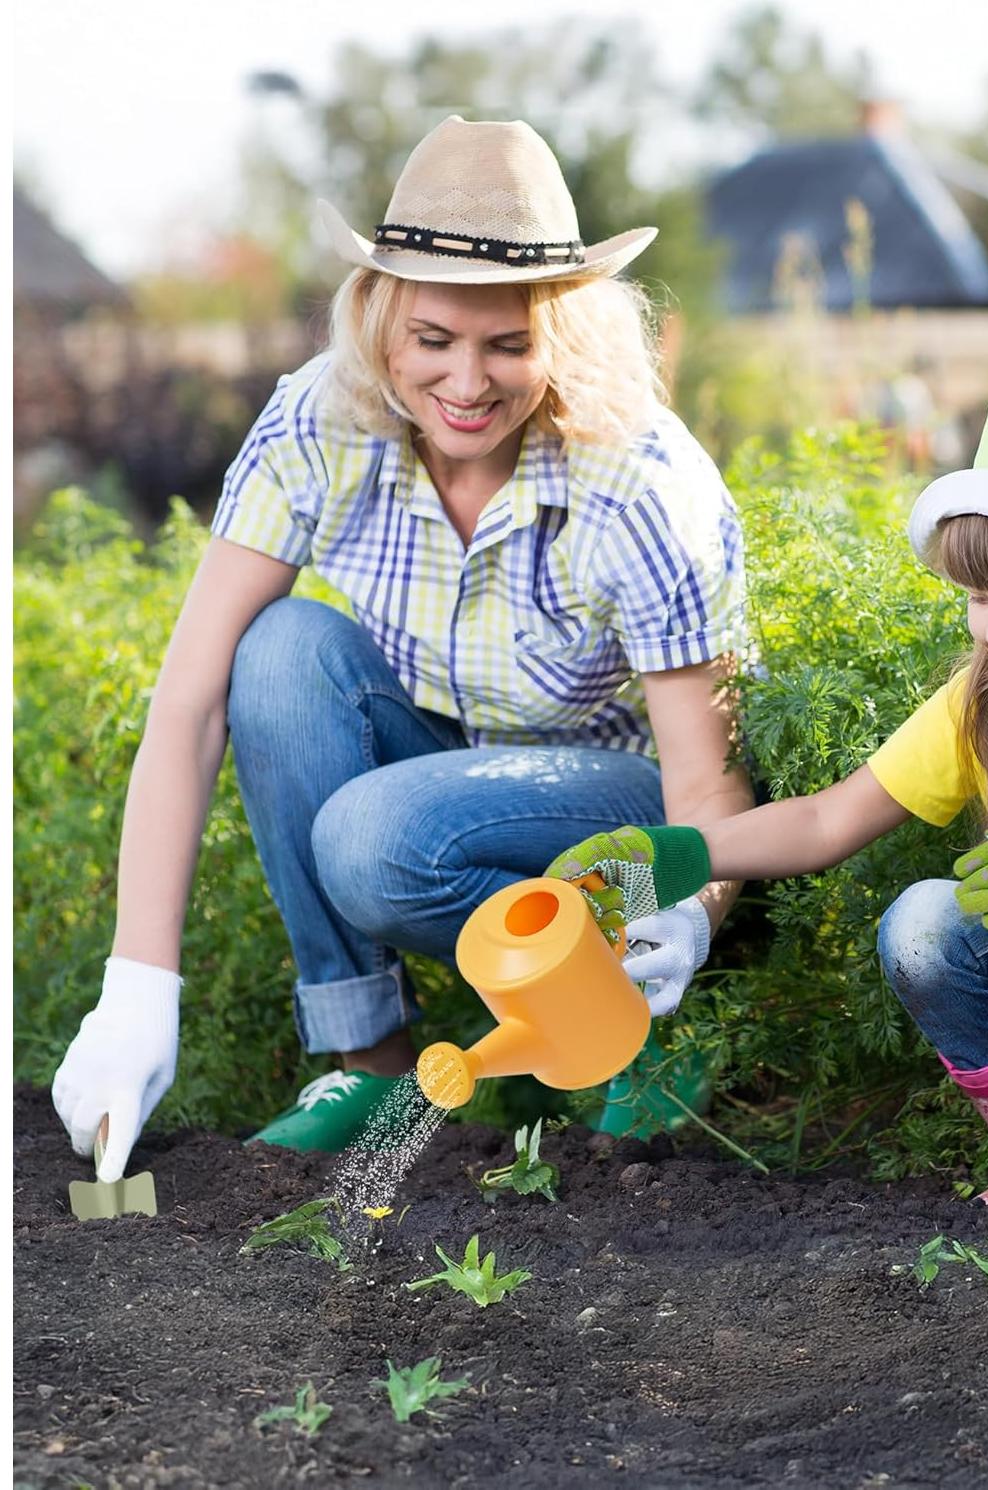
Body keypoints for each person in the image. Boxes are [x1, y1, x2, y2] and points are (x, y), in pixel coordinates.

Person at [51, 116, 753, 1182]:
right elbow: (187, 704)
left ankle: (632, 1019)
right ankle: (369, 1058)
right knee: (278, 647)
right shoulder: (320, 424)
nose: (465, 381)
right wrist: (136, 983)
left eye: (506, 344)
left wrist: (694, 917)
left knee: (376, 838)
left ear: (559, 335)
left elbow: (705, 780)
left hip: (614, 806)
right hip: (444, 761)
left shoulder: (637, 481)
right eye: (434, 339)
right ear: (381, 321)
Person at [548, 388, 988, 1242]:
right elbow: (828, 821)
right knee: (921, 921)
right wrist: (673, 859)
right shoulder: (987, 703)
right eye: (979, 599)